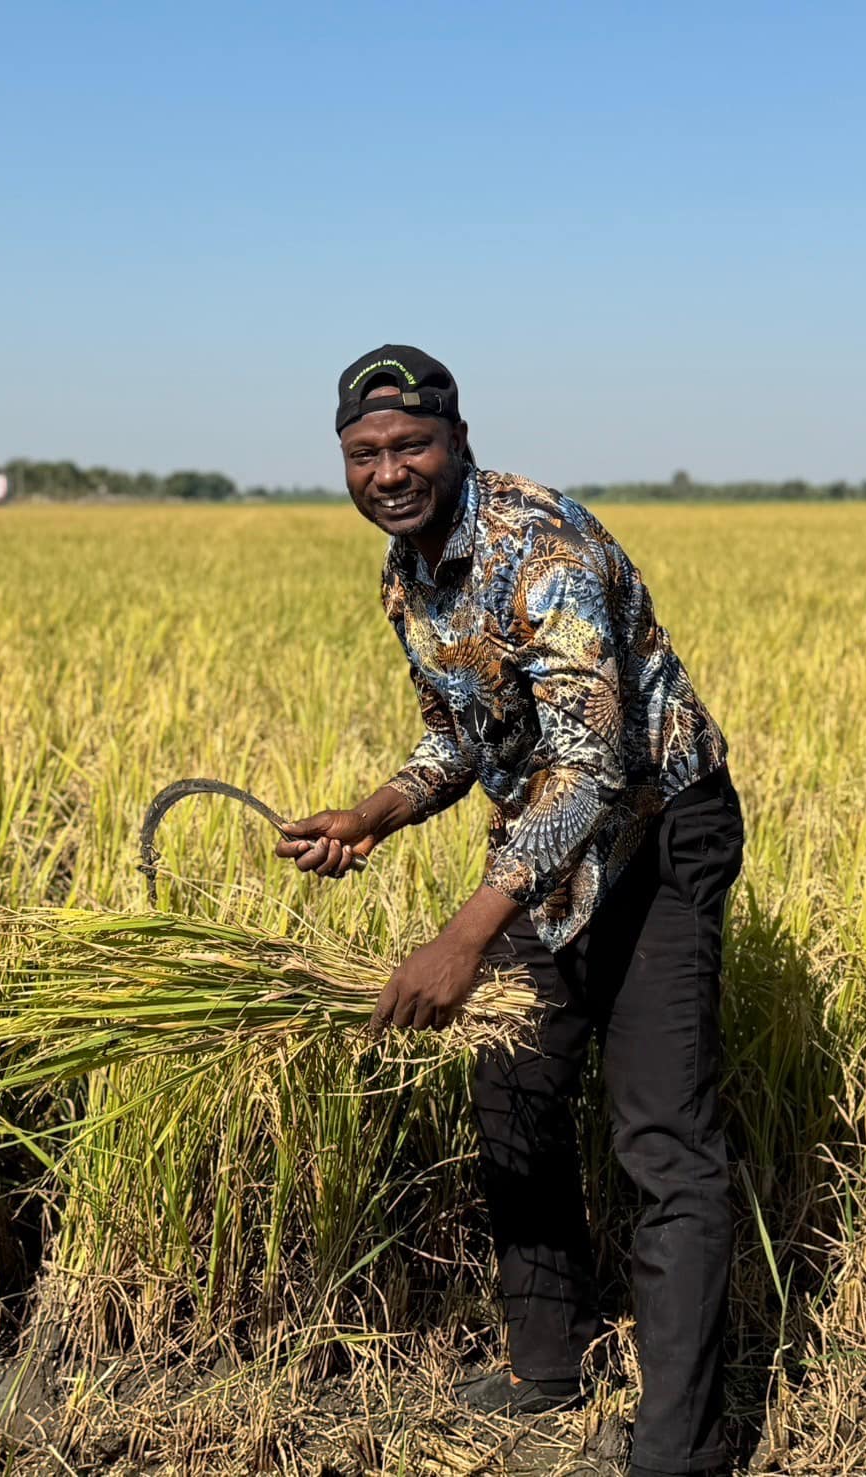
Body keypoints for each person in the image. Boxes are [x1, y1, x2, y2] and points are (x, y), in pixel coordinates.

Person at [276, 345, 744, 1477]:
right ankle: (550, 1363)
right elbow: (459, 735)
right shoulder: (408, 573)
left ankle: (681, 1447)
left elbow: (590, 769)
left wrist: (462, 935)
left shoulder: (539, 549)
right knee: (517, 1093)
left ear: (457, 439)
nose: (388, 471)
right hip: (544, 846)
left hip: (654, 837)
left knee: (662, 1140)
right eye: (364, 454)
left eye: (410, 446)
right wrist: (373, 814)